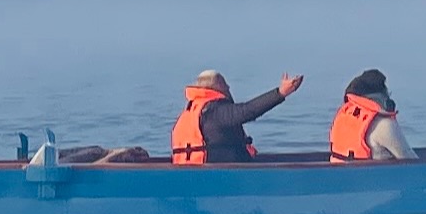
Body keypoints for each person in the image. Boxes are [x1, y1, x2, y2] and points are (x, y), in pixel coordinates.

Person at [170, 68, 303, 164]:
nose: (228, 87)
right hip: (222, 177)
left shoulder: (190, 112)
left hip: (192, 171)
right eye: (225, 84)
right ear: (217, 86)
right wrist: (280, 93)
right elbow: (248, 110)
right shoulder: (215, 111)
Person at [327, 69, 413, 161]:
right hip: (370, 170)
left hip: (341, 169)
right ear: (380, 96)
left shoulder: (342, 118)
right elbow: (410, 160)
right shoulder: (384, 124)